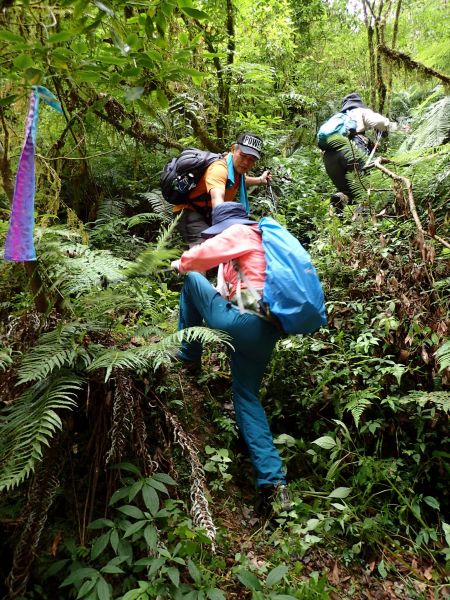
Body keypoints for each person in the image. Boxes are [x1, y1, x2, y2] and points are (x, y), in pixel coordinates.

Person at [170, 202, 291, 517]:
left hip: (243, 323)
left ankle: (188, 356)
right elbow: (224, 297)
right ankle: (275, 485)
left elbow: (197, 258)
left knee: (193, 280)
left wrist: (179, 263)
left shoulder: (242, 231)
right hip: (266, 332)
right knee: (247, 397)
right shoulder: (254, 253)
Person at [174, 133, 272, 247]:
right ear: (233, 149)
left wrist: (260, 180)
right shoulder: (219, 169)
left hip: (207, 213)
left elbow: (242, 180)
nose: (246, 162)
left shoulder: (234, 171)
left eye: (252, 159)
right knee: (209, 251)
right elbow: (217, 199)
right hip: (189, 211)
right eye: (243, 155)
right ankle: (181, 264)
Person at [322, 92, 398, 209]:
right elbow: (380, 123)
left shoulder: (337, 119)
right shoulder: (359, 111)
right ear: (358, 103)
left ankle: (341, 217)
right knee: (365, 188)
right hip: (351, 150)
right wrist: (388, 126)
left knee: (348, 192)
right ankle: (366, 221)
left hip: (329, 158)